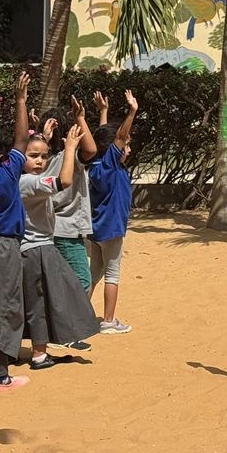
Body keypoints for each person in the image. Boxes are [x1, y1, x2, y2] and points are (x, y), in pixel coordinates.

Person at [19, 121, 100, 369]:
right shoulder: (27, 183)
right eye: (33, 156)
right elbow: (64, 181)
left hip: (41, 247)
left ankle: (39, 351)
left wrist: (44, 136)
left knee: (39, 301)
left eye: (43, 156)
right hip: (35, 250)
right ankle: (39, 354)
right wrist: (70, 149)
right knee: (39, 302)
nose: (40, 161)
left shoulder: (32, 180)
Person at [0, 72, 33, 392]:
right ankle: (1, 376)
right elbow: (21, 141)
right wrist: (20, 100)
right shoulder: (6, 176)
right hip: (3, 248)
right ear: (2, 157)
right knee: (4, 308)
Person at [86, 90, 137, 334]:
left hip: (95, 230)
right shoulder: (108, 165)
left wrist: (103, 112)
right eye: (126, 146)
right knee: (112, 274)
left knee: (93, 273)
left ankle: (80, 315)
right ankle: (108, 320)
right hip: (111, 230)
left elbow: (104, 139)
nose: (128, 148)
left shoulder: (98, 164)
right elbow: (117, 137)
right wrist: (132, 111)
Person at [48, 96, 98, 296]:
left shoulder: (41, 161)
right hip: (67, 230)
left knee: (57, 278)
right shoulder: (67, 159)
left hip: (50, 228)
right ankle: (69, 322)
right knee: (83, 281)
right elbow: (91, 149)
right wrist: (80, 118)